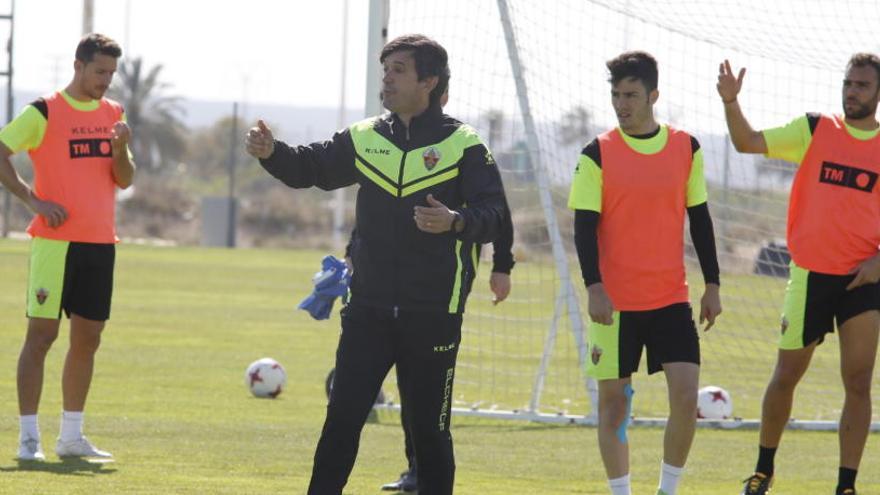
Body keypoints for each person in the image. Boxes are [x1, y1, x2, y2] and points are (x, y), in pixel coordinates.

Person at [245, 34, 507, 495]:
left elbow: (495, 214)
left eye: (399, 69)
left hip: (433, 313)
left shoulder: (463, 145)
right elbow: (312, 168)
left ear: (428, 81)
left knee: (429, 432)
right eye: (386, 69)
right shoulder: (366, 137)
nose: (387, 77)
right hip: (367, 309)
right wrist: (273, 154)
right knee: (341, 422)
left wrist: (455, 221)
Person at [719, 54, 880, 495]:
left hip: (862, 282)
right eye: (848, 83)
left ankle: (846, 485)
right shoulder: (815, 129)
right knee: (786, 376)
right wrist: (731, 103)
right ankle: (763, 470)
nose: (852, 91)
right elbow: (747, 142)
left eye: (863, 85)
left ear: (878, 93)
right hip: (810, 277)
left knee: (859, 381)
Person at [568, 51, 722, 495]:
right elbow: (583, 230)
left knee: (687, 396)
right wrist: (594, 288)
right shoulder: (596, 154)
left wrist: (713, 283)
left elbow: (701, 219)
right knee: (613, 406)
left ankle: (667, 490)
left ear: (654, 95)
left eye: (631, 94)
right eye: (616, 95)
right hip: (614, 306)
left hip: (671, 298)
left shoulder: (686, 147)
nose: (622, 103)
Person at [0, 33, 135, 461]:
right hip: (55, 245)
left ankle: (72, 437)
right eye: (99, 72)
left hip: (100, 243)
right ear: (78, 66)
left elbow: (125, 179)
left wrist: (121, 149)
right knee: (42, 336)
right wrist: (32, 199)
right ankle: (28, 439)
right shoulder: (44, 111)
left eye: (111, 74)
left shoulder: (114, 113)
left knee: (88, 339)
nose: (105, 81)